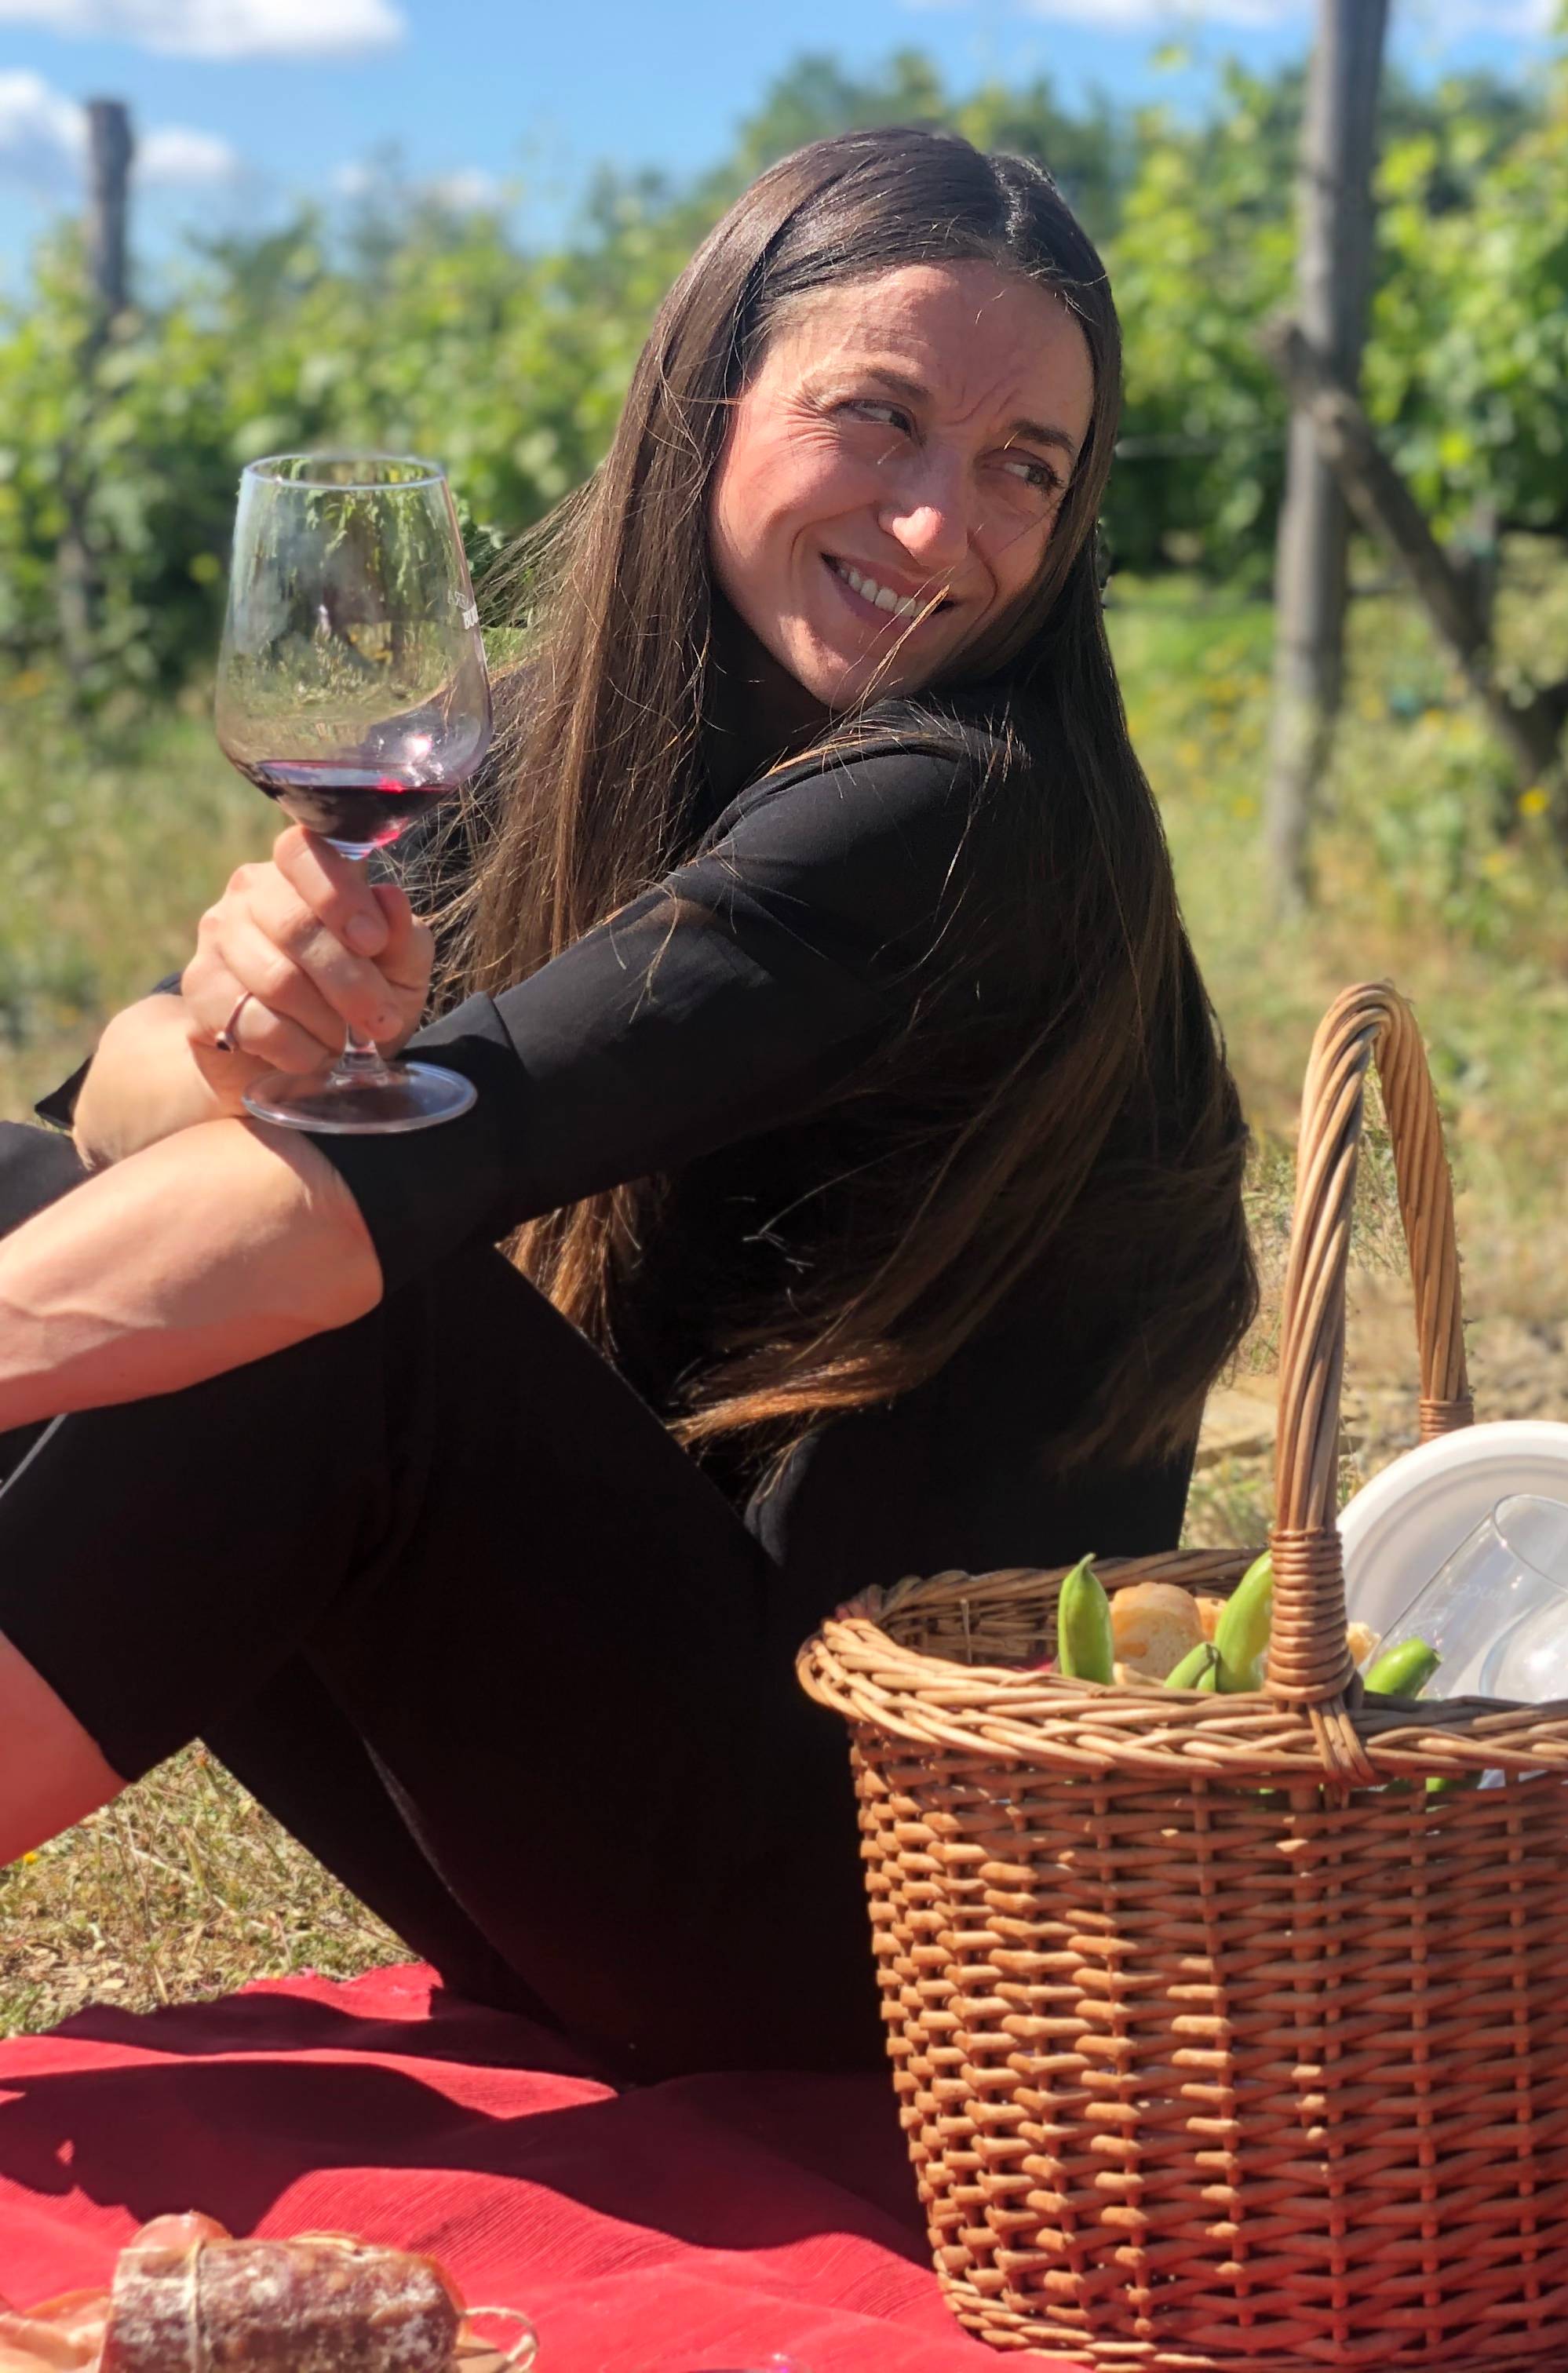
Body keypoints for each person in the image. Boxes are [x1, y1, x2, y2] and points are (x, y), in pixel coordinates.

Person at [0, 126, 1255, 2083]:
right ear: (710, 397)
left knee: (359, 1321)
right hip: (623, 1822)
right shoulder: (565, 738)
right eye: (883, 419)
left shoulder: (976, 813)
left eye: (1025, 468)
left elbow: (377, 1201)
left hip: (881, 1934)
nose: (946, 528)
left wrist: (285, 1141)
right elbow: (102, 1124)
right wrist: (238, 1038)